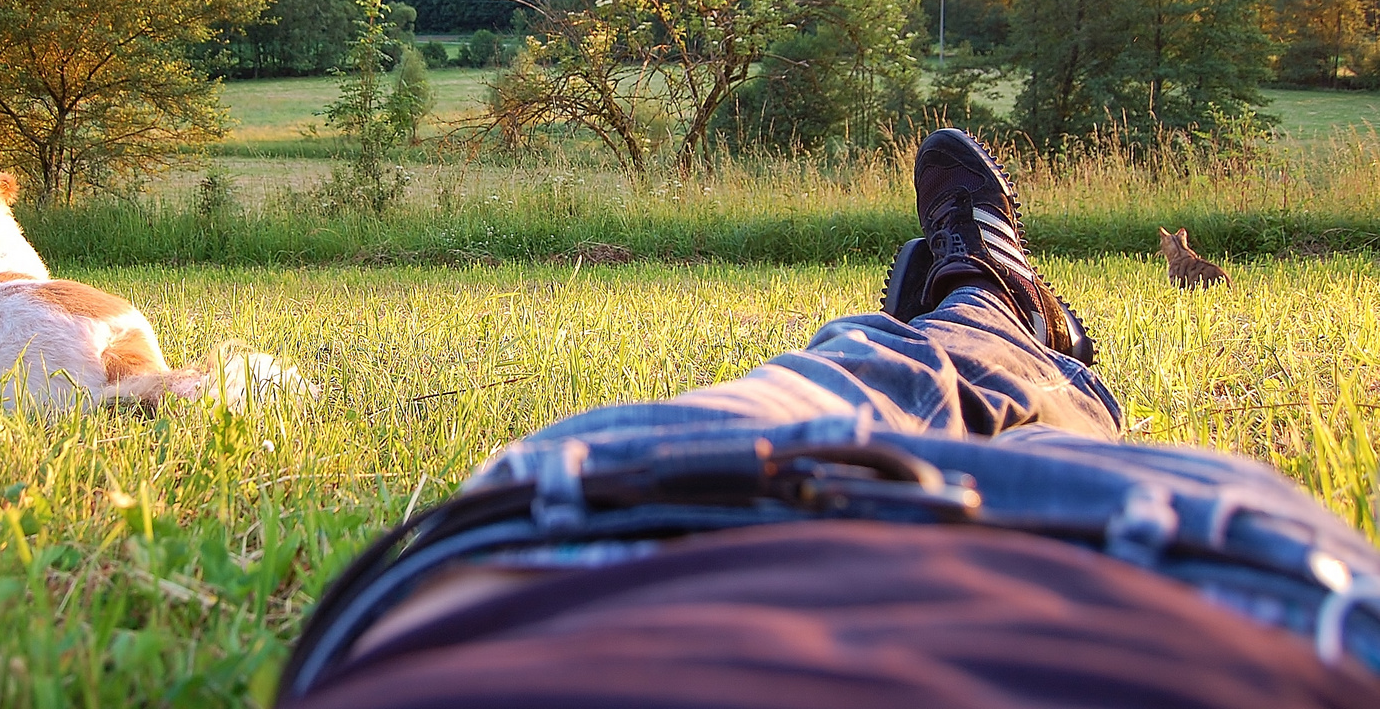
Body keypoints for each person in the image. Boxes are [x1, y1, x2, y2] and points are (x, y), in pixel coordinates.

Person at [279, 129, 1380, 708]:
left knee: (846, 371)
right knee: (1012, 410)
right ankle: (998, 312)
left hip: (586, 543)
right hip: (1193, 587)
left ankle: (971, 314)